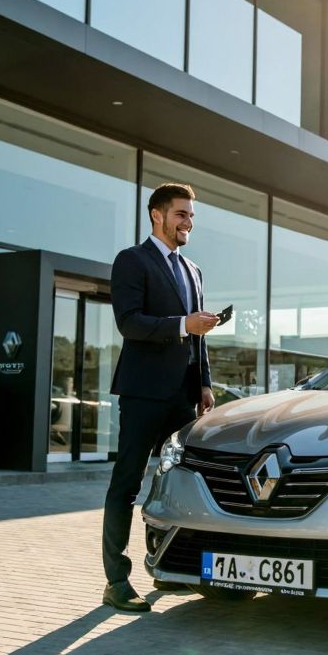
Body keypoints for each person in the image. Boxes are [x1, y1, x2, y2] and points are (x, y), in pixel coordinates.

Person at [101, 182, 218, 612]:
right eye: (181, 214)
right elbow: (129, 323)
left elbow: (197, 337)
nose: (188, 223)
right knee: (126, 484)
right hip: (143, 392)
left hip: (182, 396)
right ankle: (116, 580)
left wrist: (204, 383)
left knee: (177, 487)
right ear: (157, 215)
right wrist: (182, 324)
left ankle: (168, 568)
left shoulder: (194, 270)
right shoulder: (132, 261)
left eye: (191, 216)